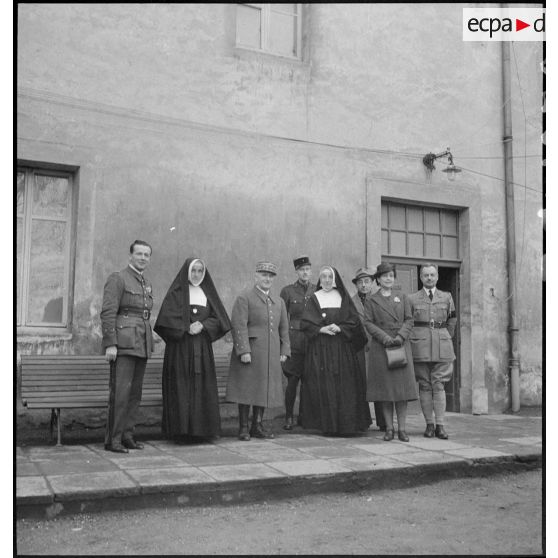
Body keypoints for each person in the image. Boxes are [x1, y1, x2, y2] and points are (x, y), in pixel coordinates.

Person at [154, 258, 231, 443]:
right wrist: (185, 327)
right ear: (187, 272)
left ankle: (201, 432)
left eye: (199, 271)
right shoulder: (177, 292)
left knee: (201, 388)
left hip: (202, 350)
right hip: (179, 349)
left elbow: (220, 318)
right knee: (180, 389)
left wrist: (203, 325)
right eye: (193, 271)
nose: (196, 274)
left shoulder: (207, 293)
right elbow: (165, 320)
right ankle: (180, 432)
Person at [300, 266, 371, 435]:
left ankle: (346, 426)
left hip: (342, 349)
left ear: (335, 279)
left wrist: (340, 327)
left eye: (329, 277)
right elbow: (306, 323)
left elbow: (353, 322)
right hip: (321, 350)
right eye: (323, 277)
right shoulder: (314, 298)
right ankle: (329, 427)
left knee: (345, 386)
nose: (326, 280)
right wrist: (320, 330)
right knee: (326, 387)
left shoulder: (343, 297)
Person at [226, 261, 291, 441]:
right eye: (263, 275)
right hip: (251, 352)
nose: (267, 279)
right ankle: (243, 428)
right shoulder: (245, 297)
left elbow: (284, 328)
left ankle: (257, 425)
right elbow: (239, 326)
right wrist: (243, 350)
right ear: (256, 276)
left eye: (270, 276)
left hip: (270, 354)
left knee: (263, 389)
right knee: (247, 390)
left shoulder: (279, 301)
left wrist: (284, 350)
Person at [101, 240, 154, 453]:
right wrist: (111, 344)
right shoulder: (118, 278)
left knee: (134, 394)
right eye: (139, 254)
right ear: (130, 256)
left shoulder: (145, 282)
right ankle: (113, 440)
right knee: (120, 394)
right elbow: (108, 312)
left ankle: (127, 435)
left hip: (141, 342)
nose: (142, 258)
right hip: (123, 344)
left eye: (146, 255)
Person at [364, 262, 417, 442]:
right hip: (382, 347)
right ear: (378, 279)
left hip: (401, 345)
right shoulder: (371, 300)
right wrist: (385, 338)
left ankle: (402, 429)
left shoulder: (402, 297)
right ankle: (389, 428)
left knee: (401, 392)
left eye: (391, 276)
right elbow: (368, 323)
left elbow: (409, 320)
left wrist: (400, 336)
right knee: (386, 392)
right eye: (385, 276)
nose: (388, 279)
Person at [408, 263, 457, 439]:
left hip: (443, 345)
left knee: (439, 384)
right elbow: (409, 322)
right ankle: (429, 424)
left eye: (432, 275)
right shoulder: (412, 298)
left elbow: (452, 321)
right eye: (426, 275)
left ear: (437, 277)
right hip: (420, 345)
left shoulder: (446, 297)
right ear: (421, 278)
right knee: (425, 384)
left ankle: (441, 425)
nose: (429, 278)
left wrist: (444, 337)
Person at [279, 255, 316, 430]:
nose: (305, 272)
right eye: (302, 270)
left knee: (309, 382)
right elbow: (281, 319)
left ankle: (305, 417)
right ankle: (288, 417)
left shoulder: (318, 290)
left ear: (311, 270)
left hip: (312, 341)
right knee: (293, 381)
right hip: (294, 341)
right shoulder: (287, 291)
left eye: (307, 269)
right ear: (296, 271)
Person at [351, 267, 387, 432]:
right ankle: (363, 420)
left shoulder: (379, 300)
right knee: (360, 385)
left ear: (373, 283)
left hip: (378, 347)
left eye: (367, 281)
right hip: (359, 349)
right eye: (360, 282)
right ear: (356, 285)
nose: (364, 285)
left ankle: (383, 421)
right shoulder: (351, 302)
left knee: (379, 384)